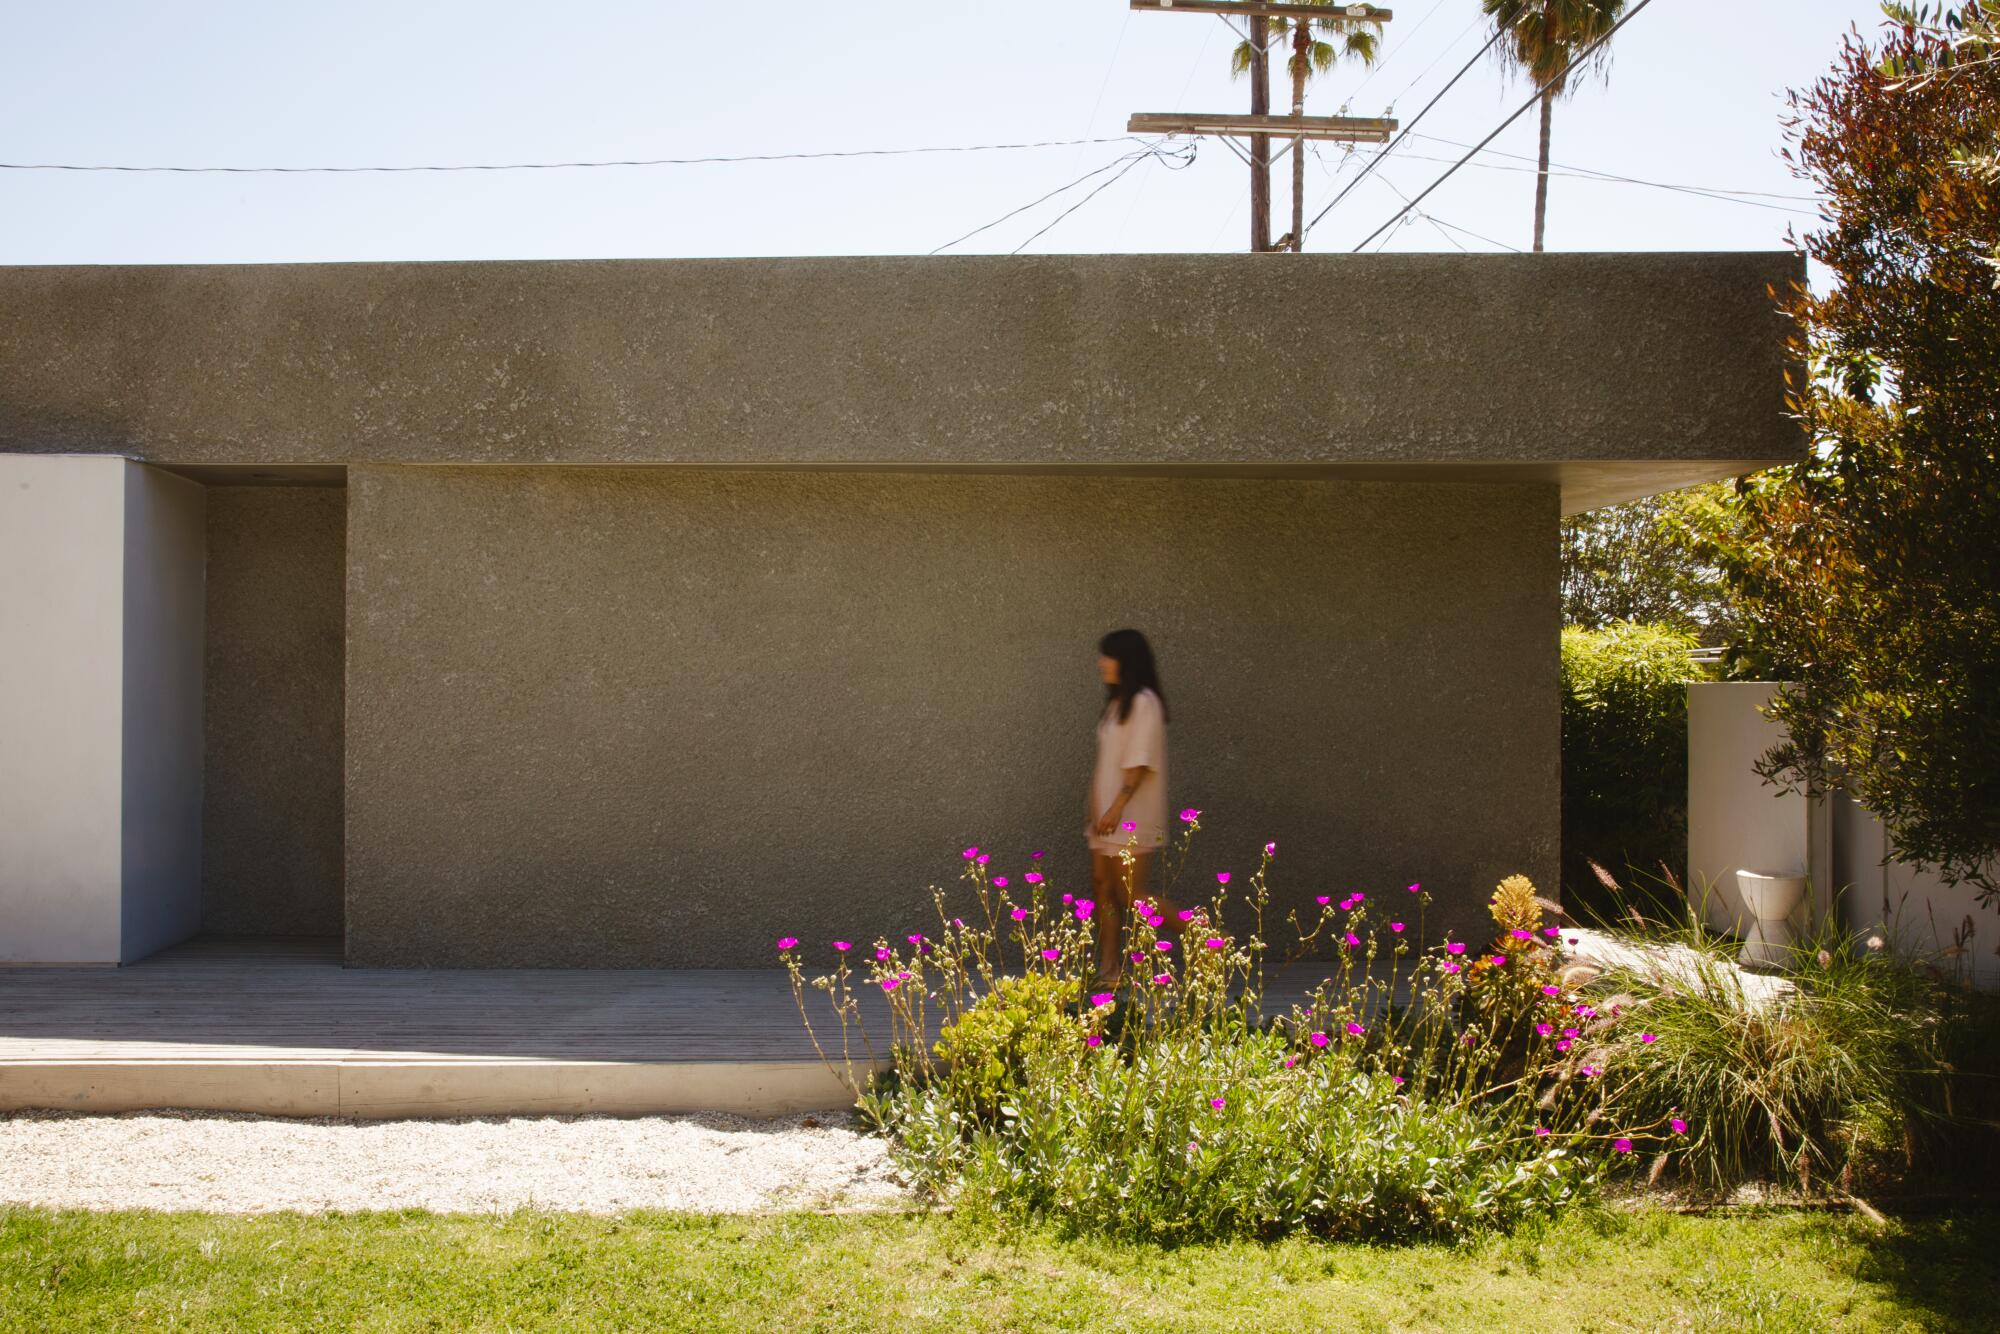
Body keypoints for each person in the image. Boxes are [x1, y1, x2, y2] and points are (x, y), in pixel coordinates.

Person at [1085, 628, 1169, 987]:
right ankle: (1109, 970)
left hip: (1129, 814)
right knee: (1102, 886)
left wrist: (1116, 808)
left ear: (1126, 659)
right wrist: (1094, 809)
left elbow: (1138, 764)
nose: (1102, 662)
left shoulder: (1144, 702)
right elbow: (1105, 763)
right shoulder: (1116, 704)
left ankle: (1207, 936)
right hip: (1105, 816)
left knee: (1132, 895)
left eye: (1109, 655)